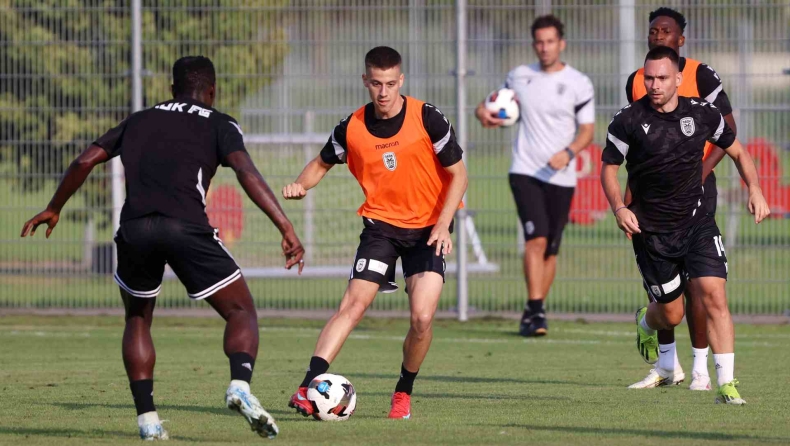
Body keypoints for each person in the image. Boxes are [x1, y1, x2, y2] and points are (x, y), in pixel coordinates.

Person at [20, 56, 305, 439]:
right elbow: (245, 171)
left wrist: (54, 207)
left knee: (138, 319)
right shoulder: (220, 122)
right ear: (212, 91)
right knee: (240, 311)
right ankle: (239, 386)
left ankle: (148, 422)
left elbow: (85, 161)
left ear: (171, 90)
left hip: (135, 229)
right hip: (186, 227)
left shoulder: (138, 119)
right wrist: (285, 226)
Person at [282, 46, 467, 419]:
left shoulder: (426, 118)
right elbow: (321, 163)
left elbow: (459, 174)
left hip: (429, 229)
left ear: (401, 80)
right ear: (365, 81)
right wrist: (301, 185)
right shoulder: (351, 127)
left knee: (422, 319)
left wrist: (444, 223)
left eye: (391, 83)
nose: (384, 92)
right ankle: (306, 388)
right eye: (377, 83)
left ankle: (403, 392)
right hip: (381, 227)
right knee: (352, 305)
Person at [600, 46, 770, 405]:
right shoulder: (628, 120)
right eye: (649, 78)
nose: (655, 85)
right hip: (652, 233)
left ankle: (726, 384)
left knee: (714, 294)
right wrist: (619, 208)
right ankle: (646, 322)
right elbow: (609, 170)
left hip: (697, 223)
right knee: (672, 314)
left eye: (662, 78)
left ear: (678, 78)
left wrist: (755, 188)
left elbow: (738, 151)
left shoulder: (703, 113)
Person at [625, 7, 738, 392]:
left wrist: (700, 173)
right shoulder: (637, 81)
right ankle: (666, 366)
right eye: (653, 31)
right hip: (651, 198)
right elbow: (635, 150)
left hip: (696, 190)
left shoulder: (701, 75)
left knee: (698, 284)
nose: (658, 36)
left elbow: (729, 132)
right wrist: (626, 201)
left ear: (681, 39)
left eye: (666, 31)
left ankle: (702, 369)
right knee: (663, 288)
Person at [474, 15, 595, 337]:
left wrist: (568, 153)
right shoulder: (519, 76)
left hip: (562, 175)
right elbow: (490, 105)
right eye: (539, 42)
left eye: (550, 41)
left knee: (551, 248)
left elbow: (587, 131)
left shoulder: (579, 82)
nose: (544, 48)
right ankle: (538, 309)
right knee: (536, 238)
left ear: (561, 44)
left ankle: (532, 310)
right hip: (525, 170)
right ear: (533, 44)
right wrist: (482, 113)